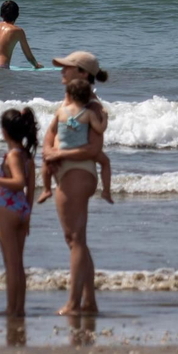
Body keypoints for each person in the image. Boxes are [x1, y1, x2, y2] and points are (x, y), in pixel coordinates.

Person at [41, 50, 111, 315]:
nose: (62, 71)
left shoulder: (93, 107)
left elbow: (94, 149)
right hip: (67, 172)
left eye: (67, 67)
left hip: (79, 172)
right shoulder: (68, 101)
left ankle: (73, 303)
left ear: (82, 73)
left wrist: (58, 154)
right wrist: (48, 149)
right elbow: (51, 132)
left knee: (75, 239)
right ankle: (89, 302)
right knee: (75, 239)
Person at [0, 107, 38, 318]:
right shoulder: (27, 155)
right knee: (18, 264)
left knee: (11, 264)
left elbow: (19, 182)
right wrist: (28, 214)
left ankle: (12, 309)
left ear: (4, 132)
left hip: (8, 210)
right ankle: (18, 308)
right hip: (21, 210)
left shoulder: (13, 155)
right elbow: (31, 187)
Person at [37, 78, 112, 205]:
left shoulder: (61, 112)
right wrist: (105, 118)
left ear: (68, 95)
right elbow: (100, 130)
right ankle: (106, 191)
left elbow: (53, 129)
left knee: (46, 160)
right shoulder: (88, 114)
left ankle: (47, 189)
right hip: (80, 150)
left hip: (62, 148)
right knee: (105, 162)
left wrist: (70, 124)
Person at [0, 0, 42, 69]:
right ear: (17, 15)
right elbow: (29, 56)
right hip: (0, 67)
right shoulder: (18, 31)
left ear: (1, 14)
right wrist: (36, 65)